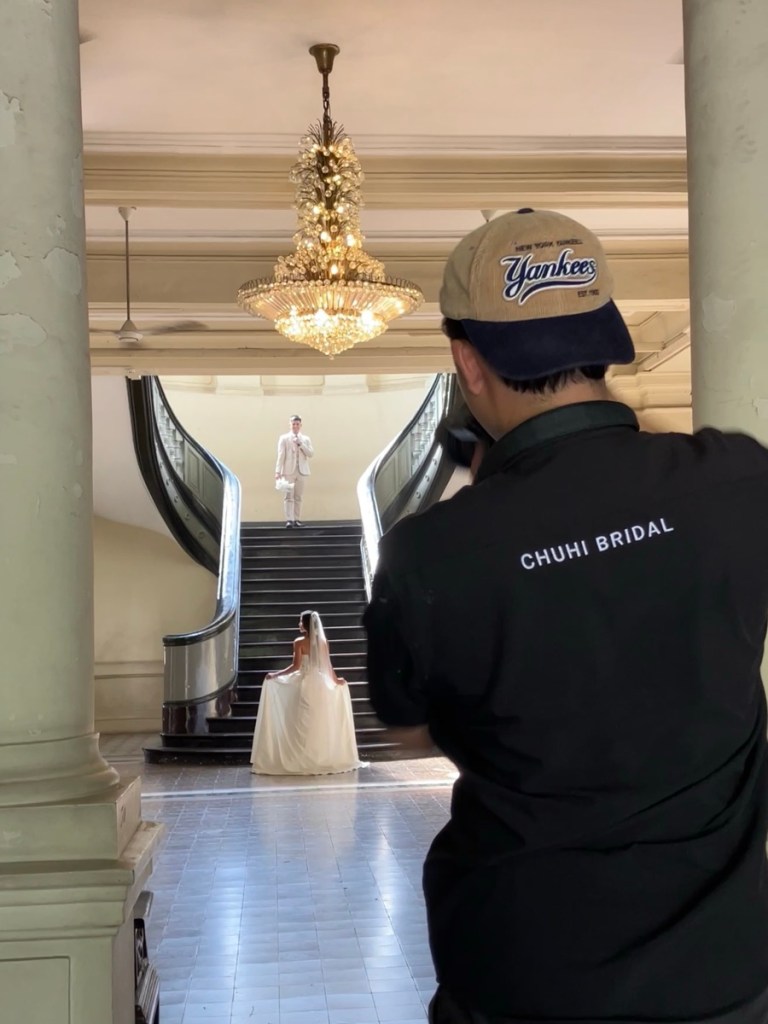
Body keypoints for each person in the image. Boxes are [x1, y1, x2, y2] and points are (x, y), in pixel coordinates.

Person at [363, 208, 768, 1024]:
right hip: (723, 977)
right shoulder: (739, 480)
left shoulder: (429, 554)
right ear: (604, 336)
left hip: (524, 974)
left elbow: (408, 726)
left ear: (467, 361)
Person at [250, 609, 365, 775]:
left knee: (300, 720)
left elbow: (296, 666)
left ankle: (301, 758)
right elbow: (328, 665)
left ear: (305, 624)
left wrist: (276, 675)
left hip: (305, 683)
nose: (298, 624)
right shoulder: (323, 642)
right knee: (317, 722)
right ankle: (318, 757)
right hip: (320, 684)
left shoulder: (299, 642)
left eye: (300, 621)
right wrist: (335, 680)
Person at [275, 415, 314, 527]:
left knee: (298, 496)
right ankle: (289, 519)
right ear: (290, 425)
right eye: (293, 424)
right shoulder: (284, 438)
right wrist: (278, 471)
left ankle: (297, 519)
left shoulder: (306, 439)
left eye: (297, 424)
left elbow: (310, 453)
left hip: (301, 471)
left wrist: (301, 444)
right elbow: (281, 455)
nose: (295, 426)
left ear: (300, 425)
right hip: (288, 470)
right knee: (289, 496)